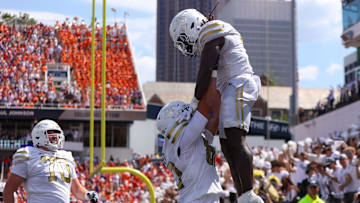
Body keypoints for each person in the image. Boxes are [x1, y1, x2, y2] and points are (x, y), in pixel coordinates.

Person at [169, 8, 262, 203]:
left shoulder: (210, 29)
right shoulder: (210, 34)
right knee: (227, 143)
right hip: (231, 86)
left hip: (238, 83)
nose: (186, 46)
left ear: (192, 25)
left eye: (185, 39)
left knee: (234, 139)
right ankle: (243, 194)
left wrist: (194, 101)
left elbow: (206, 68)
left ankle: (249, 195)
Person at [156, 76, 223, 202]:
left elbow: (214, 119)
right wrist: (213, 72)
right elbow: (207, 104)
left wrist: (220, 85)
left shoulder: (189, 143)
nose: (189, 114)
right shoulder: (183, 140)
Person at [3, 119, 98, 203]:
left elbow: (77, 190)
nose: (56, 137)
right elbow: (9, 189)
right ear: (38, 136)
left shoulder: (66, 157)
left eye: (57, 133)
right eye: (51, 133)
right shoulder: (28, 155)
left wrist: (87, 195)